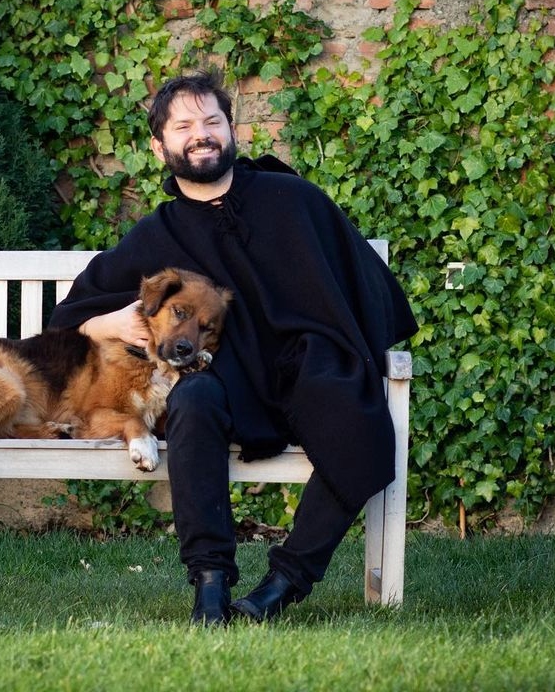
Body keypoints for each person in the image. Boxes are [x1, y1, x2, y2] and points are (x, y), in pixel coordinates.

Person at [48, 70, 418, 625]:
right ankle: (211, 584)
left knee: (361, 426)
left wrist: (348, 353)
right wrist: (110, 324)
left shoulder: (292, 199)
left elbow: (360, 282)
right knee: (192, 402)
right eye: (185, 126)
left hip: (305, 371)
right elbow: (70, 318)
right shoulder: (156, 234)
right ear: (160, 147)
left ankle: (285, 582)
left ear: (230, 129)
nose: (202, 134)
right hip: (219, 379)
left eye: (212, 121)